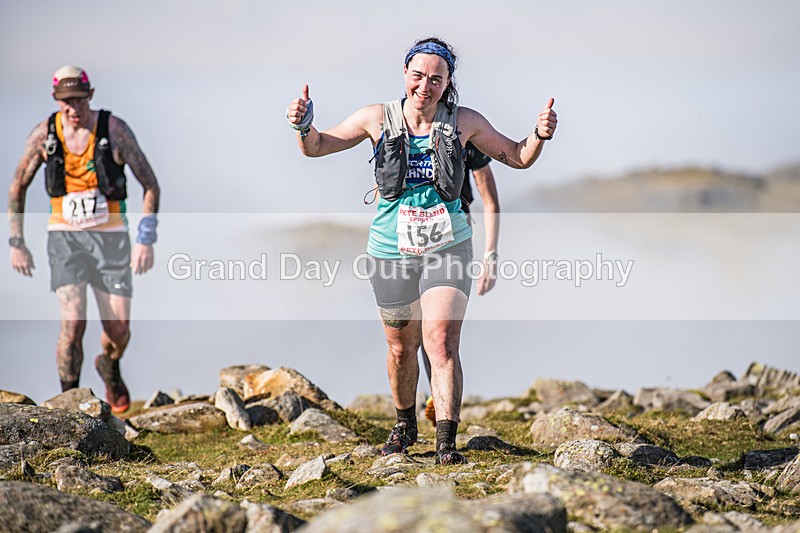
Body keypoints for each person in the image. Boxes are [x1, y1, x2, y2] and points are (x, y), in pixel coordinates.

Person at [287, 38, 557, 464]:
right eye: (418, 76)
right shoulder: (376, 118)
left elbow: (518, 156)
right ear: (405, 74)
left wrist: (539, 134)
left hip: (448, 246)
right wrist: (303, 126)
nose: (425, 86)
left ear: (448, 82)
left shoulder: (465, 121)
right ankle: (404, 424)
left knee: (441, 341)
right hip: (390, 250)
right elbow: (318, 146)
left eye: (436, 79)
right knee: (401, 347)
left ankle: (446, 442)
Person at [8, 66, 160, 413]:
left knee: (118, 330)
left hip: (111, 240)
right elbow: (17, 186)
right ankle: (69, 404)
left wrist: (145, 239)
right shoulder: (44, 135)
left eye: (78, 100)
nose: (73, 108)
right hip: (65, 239)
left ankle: (109, 365)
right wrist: (17, 242)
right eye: (66, 102)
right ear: (56, 100)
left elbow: (150, 184)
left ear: (90, 96)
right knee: (73, 320)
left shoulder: (114, 130)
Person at [421, 141, 499, 425]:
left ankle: (441, 404)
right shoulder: (402, 130)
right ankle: (433, 394)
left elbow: (490, 201)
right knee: (416, 330)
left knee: (441, 331)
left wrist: (490, 255)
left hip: (453, 238)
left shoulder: (466, 133)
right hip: (405, 240)